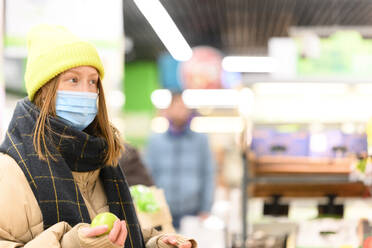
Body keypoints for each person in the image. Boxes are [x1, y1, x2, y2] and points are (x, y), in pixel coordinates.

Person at [0, 24, 196, 248]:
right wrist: (73, 244)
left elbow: (119, 235)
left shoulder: (101, 158)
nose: (86, 91)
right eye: (73, 80)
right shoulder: (9, 170)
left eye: (92, 81)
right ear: (44, 92)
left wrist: (156, 243)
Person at [145, 93, 216, 229]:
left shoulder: (201, 141)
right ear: (167, 111)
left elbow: (208, 174)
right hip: (162, 212)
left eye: (182, 108)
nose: (179, 111)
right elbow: (148, 176)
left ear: (188, 112)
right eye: (175, 107)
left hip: (193, 212)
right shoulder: (155, 141)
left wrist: (206, 208)